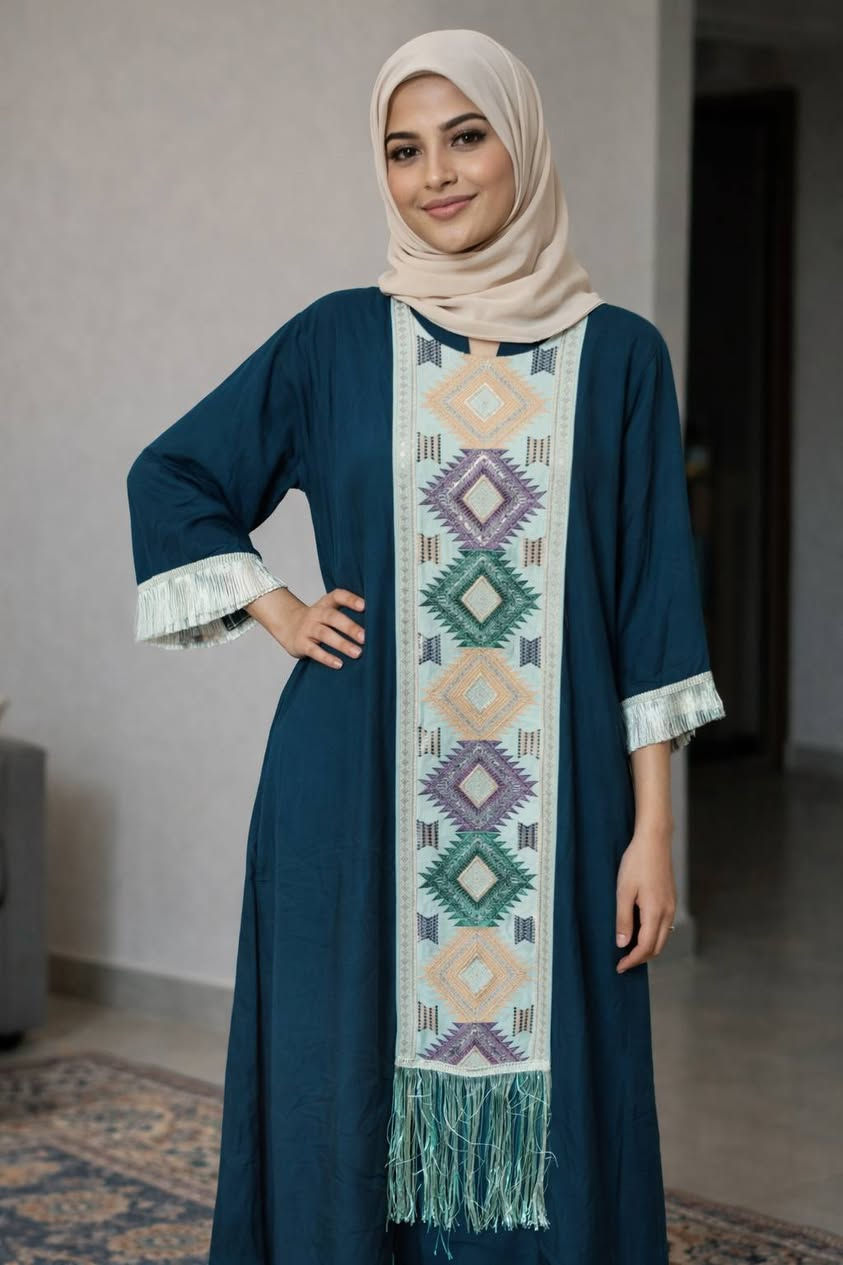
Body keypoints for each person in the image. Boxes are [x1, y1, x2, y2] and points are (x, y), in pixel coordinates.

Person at [126, 27, 725, 1265]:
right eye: (404, 150)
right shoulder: (336, 341)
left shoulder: (621, 358)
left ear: (523, 145)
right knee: (339, 1085)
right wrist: (276, 606)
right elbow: (173, 473)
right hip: (353, 790)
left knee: (568, 1110)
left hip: (561, 807)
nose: (435, 175)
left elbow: (651, 606)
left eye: (465, 137)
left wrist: (655, 831)